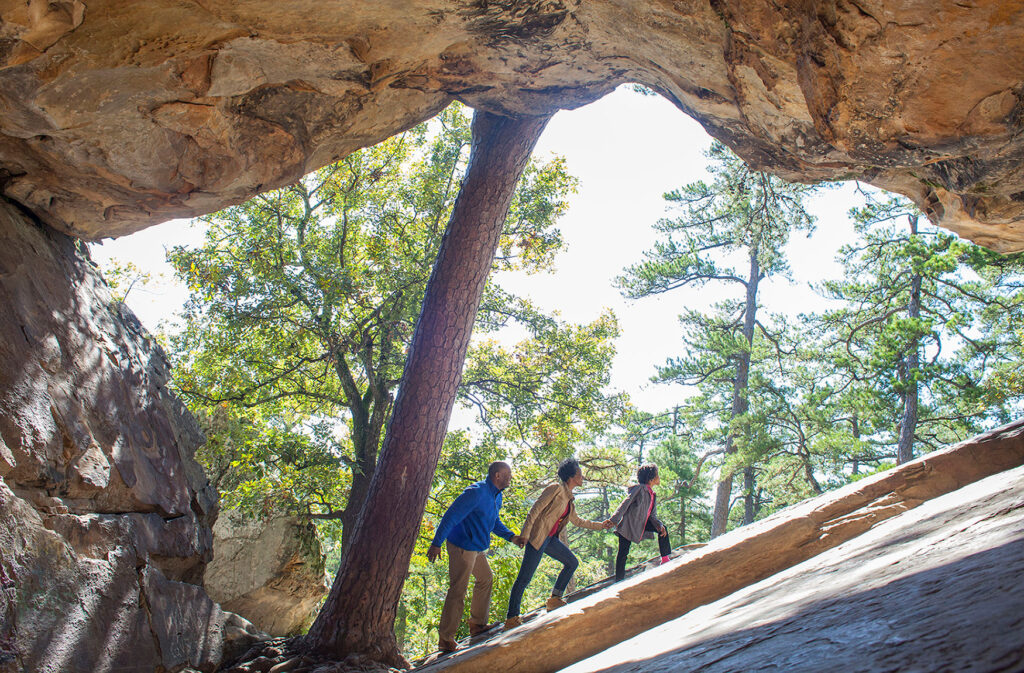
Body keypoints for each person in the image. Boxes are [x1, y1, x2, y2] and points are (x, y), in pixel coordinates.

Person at [503, 458, 613, 629]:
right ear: (571, 476)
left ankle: (555, 599)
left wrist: (601, 525)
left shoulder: (569, 499)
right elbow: (535, 510)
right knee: (525, 577)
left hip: (551, 540)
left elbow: (577, 521)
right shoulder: (555, 489)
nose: (582, 477)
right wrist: (524, 535)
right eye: (579, 474)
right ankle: (511, 618)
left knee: (572, 563)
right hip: (538, 538)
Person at [427, 460, 522, 653]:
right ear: (497, 476)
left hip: (477, 547)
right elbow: (450, 516)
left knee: (486, 578)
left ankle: (477, 625)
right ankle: (445, 640)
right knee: (458, 590)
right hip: (462, 546)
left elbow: (494, 522)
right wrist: (436, 543)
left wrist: (511, 537)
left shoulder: (496, 496)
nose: (510, 478)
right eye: (508, 475)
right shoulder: (476, 492)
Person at [608, 463, 671, 581]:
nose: (659, 477)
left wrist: (659, 525)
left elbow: (652, 515)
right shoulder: (640, 489)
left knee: (663, 529)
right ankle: (619, 580)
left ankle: (665, 558)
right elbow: (625, 504)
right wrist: (613, 520)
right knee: (623, 554)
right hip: (628, 525)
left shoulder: (653, 494)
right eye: (657, 475)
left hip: (642, 523)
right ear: (651, 478)